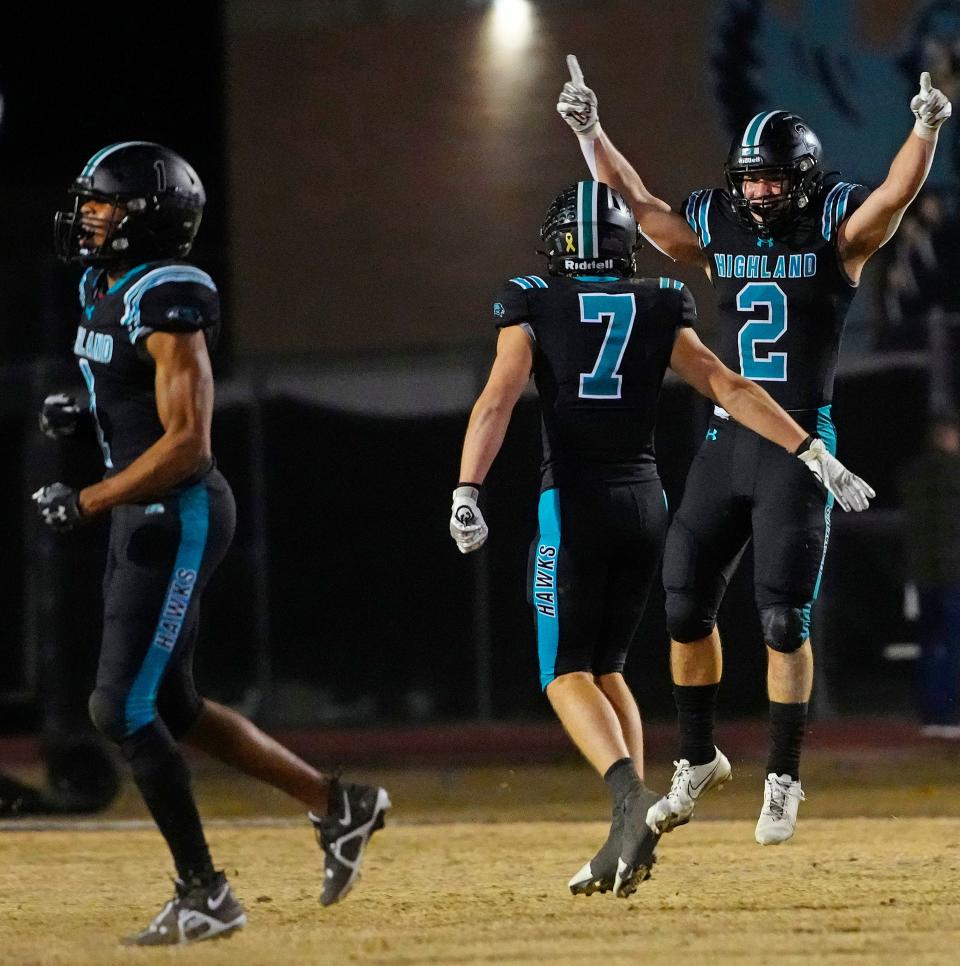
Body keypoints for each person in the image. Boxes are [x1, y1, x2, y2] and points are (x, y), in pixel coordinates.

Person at [556, 56, 950, 846]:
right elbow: (641, 207)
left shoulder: (836, 227)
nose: (759, 192)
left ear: (802, 179)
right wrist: (590, 132)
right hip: (726, 438)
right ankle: (698, 759)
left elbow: (893, 200)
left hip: (800, 442)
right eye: (750, 179)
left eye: (772, 180)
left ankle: (782, 777)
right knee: (682, 602)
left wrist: (925, 128)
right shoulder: (719, 221)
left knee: (780, 618)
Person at [449, 180, 872, 897]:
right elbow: (731, 388)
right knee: (608, 665)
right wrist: (811, 449)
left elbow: (497, 399)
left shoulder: (531, 300)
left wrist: (467, 489)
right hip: (646, 503)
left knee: (563, 672)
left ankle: (626, 800)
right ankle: (628, 831)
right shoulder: (660, 301)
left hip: (574, 502)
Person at [32, 142, 390, 945]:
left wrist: (87, 498)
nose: (87, 216)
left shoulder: (170, 293)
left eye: (104, 204)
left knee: (119, 707)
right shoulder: (106, 284)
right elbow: (125, 392)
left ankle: (206, 894)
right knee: (173, 706)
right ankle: (340, 805)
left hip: (177, 511)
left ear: (147, 217)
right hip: (144, 512)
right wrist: (80, 412)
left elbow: (187, 442)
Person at [901, 413, 960, 736]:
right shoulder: (954, 473)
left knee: (930, 645)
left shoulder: (914, 475)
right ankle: (949, 714)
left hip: (923, 574)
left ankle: (931, 713)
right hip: (953, 574)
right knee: (952, 646)